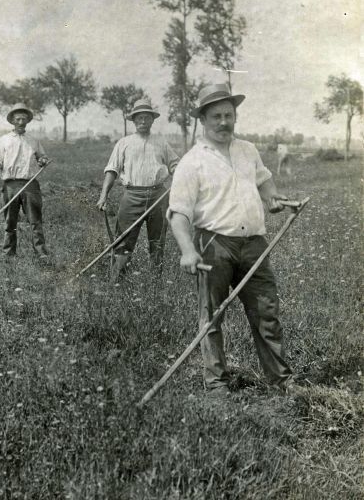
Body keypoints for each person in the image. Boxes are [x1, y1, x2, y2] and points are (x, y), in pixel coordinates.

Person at [168, 83, 294, 397]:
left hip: (254, 245)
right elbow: (178, 213)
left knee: (267, 313)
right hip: (214, 246)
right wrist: (187, 250)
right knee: (211, 316)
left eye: (229, 115)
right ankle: (216, 385)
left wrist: (273, 199)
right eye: (216, 116)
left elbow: (264, 180)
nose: (224, 122)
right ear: (203, 120)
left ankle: (281, 382)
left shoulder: (247, 149)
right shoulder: (192, 161)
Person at [97, 99, 179, 281]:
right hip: (132, 196)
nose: (143, 121)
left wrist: (179, 175)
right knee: (123, 241)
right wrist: (103, 196)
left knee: (157, 242)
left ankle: (155, 285)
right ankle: (116, 283)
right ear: (134, 120)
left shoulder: (161, 143)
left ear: (152, 120)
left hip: (158, 196)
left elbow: (175, 165)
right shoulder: (124, 143)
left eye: (147, 118)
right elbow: (112, 170)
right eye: (139, 118)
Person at [0, 103, 50, 258]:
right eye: (18, 119)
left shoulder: (33, 140)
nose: (21, 122)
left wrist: (43, 161)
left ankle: (41, 254)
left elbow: (42, 157)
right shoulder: (4, 140)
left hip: (30, 185)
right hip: (10, 186)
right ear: (12, 121)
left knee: (35, 221)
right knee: (10, 222)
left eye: (24, 119)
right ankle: (8, 255)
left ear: (28, 121)